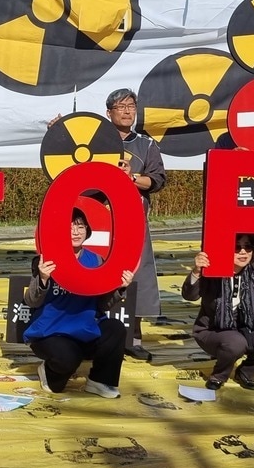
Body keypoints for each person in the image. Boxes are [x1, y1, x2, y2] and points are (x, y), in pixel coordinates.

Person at [23, 207, 132, 398]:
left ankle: (100, 380)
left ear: (87, 230)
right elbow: (32, 300)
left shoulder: (97, 259)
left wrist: (119, 288)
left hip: (85, 328)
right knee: (64, 368)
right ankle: (48, 372)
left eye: (80, 226)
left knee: (115, 329)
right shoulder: (45, 258)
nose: (76, 231)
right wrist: (43, 278)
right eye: (70, 226)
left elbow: (102, 305)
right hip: (51, 332)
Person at [181, 224, 254, 390]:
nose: (243, 252)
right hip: (213, 329)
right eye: (236, 247)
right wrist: (197, 272)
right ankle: (219, 375)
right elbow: (189, 295)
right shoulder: (212, 269)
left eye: (248, 247)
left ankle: (246, 372)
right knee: (236, 343)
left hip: (247, 325)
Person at [104, 88, 165, 360]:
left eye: (131, 106)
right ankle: (94, 335)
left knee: (137, 275)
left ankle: (134, 338)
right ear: (109, 113)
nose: (128, 111)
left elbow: (157, 180)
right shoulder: (95, 139)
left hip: (133, 220)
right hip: (100, 219)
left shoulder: (147, 144)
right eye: (121, 106)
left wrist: (131, 178)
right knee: (98, 274)